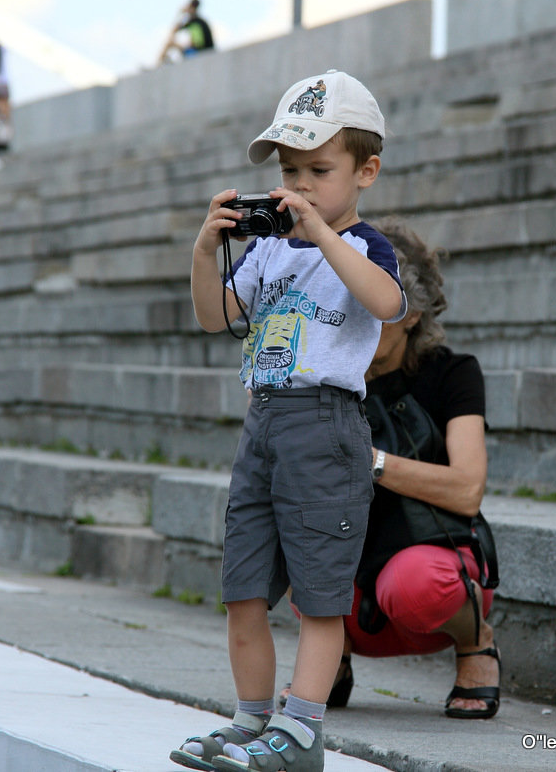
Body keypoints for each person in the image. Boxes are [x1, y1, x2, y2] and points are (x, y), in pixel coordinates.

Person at [171, 70, 406, 772]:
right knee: (242, 585)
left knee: (320, 593)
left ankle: (302, 730)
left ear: (366, 171)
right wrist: (205, 251)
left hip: (326, 426)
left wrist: (318, 233)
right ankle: (251, 719)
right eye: (289, 170)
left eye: (319, 171)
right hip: (265, 422)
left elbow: (388, 303)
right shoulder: (268, 247)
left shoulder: (364, 247)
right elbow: (218, 317)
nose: (299, 186)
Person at [280, 218, 500, 721]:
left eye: (374, 302)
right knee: (279, 524)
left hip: (429, 572)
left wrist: (370, 462)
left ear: (411, 313)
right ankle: (328, 659)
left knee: (414, 584)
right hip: (350, 585)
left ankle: (476, 644)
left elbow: (467, 490)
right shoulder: (321, 372)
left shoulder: (452, 373)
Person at [157, 0, 214, 65]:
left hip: (200, 53)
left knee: (170, 44)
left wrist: (181, 14)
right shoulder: (195, 21)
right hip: (201, 52)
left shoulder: (196, 23)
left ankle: (158, 64)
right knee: (171, 43)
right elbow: (176, 29)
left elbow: (198, 43)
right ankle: (160, 62)